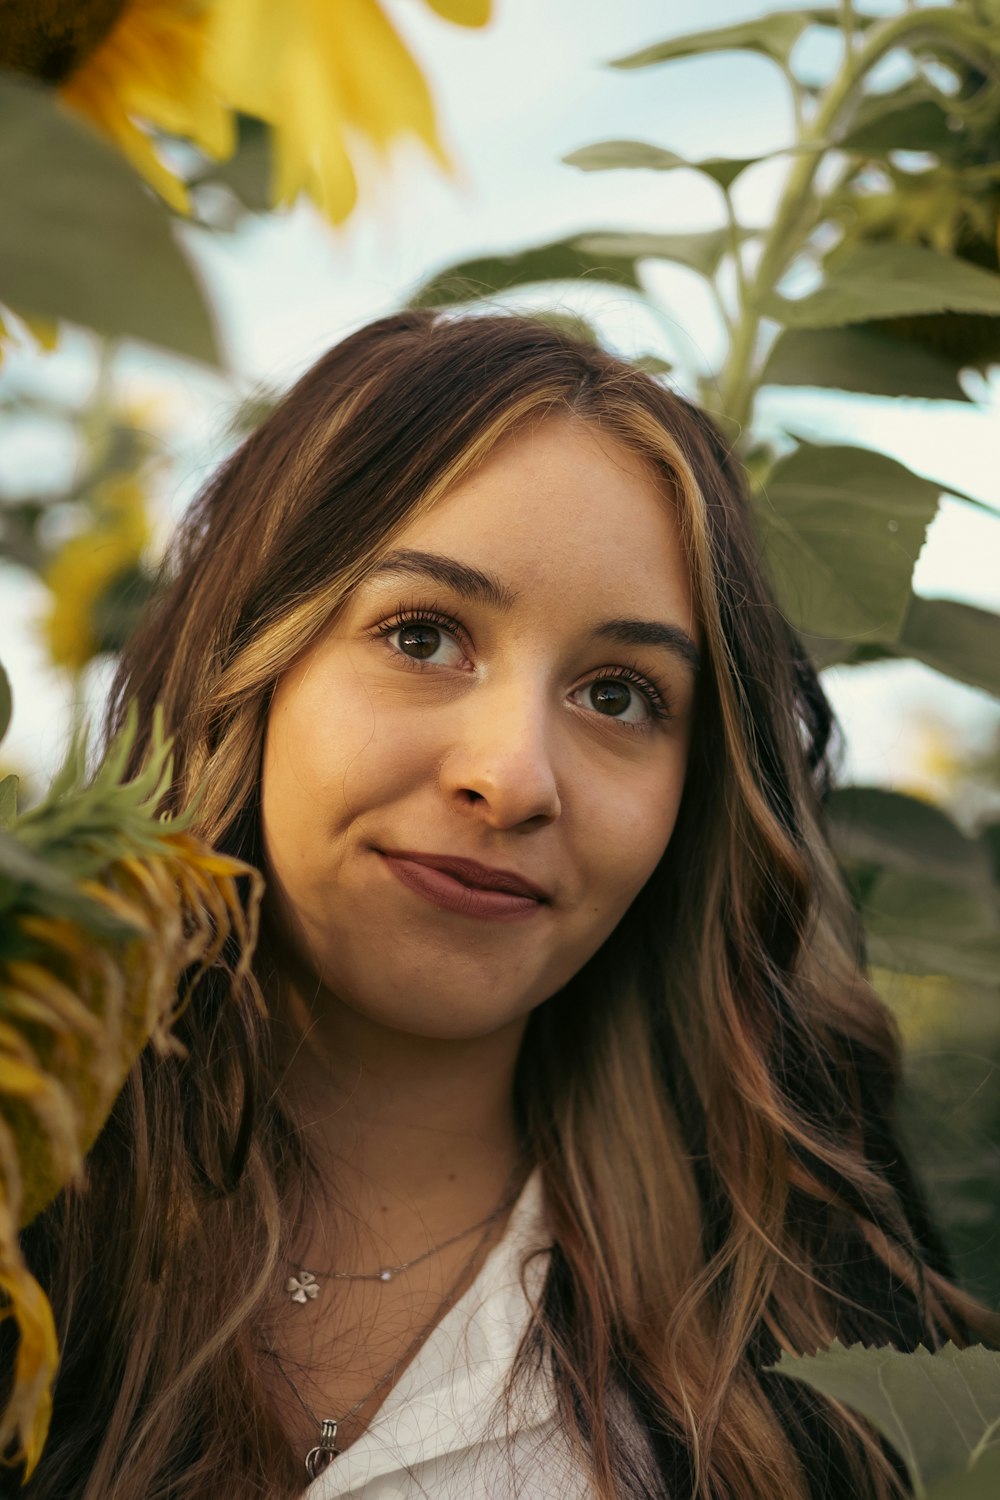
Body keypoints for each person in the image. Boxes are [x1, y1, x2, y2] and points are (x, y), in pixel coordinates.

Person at [10, 311, 994, 1500]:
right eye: (422, 635)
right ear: (249, 661)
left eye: (621, 696)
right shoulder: (32, 1191)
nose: (514, 777)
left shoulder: (815, 1333)